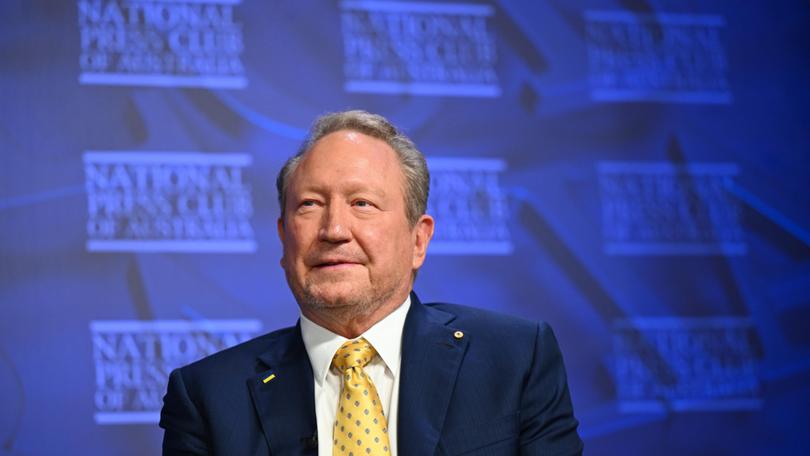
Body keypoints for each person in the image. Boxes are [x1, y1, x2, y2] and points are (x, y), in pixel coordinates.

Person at [160, 110, 583, 455]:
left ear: (418, 240)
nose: (334, 229)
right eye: (310, 204)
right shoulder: (209, 396)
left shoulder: (514, 359)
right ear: (284, 238)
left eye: (362, 203)